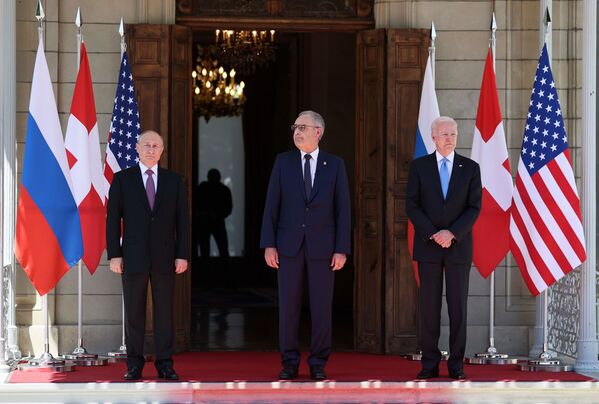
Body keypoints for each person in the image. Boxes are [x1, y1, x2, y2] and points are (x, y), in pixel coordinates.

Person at [260, 110, 351, 381]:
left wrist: (341, 248)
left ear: (318, 132)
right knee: (288, 307)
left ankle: (318, 363)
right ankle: (288, 363)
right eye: (295, 127)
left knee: (322, 307)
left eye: (303, 127)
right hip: (287, 246)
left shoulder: (334, 165)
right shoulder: (283, 162)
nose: (297, 131)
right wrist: (269, 244)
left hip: (324, 248)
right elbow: (271, 205)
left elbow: (343, 210)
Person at [106, 130, 190, 381]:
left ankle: (165, 364)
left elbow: (182, 222)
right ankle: (134, 365)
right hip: (132, 256)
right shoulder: (122, 179)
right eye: (147, 145)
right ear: (137, 148)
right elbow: (112, 220)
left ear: (162, 151)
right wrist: (115, 255)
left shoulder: (174, 181)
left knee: (165, 313)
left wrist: (182, 254)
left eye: (156, 146)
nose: (151, 149)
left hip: (166, 257)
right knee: (134, 313)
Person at [405, 116, 482, 380]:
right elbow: (412, 205)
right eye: (444, 134)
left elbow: (474, 208)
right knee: (429, 309)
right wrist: (434, 234)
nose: (449, 139)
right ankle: (429, 364)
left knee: (458, 308)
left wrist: (452, 233)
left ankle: (456, 366)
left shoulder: (470, 168)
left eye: (453, 134)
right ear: (433, 137)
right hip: (428, 247)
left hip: (458, 247)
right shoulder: (419, 167)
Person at [196, 168, 232, 257]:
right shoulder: (223, 189)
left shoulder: (203, 188)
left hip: (213, 222)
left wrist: (215, 215)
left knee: (220, 249)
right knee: (207, 250)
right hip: (206, 223)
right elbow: (228, 208)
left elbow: (228, 208)